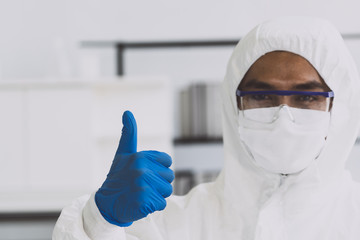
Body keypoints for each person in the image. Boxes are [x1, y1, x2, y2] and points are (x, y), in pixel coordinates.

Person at [53, 16, 360, 239]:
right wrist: (100, 220)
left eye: (307, 97)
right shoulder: (175, 225)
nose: (283, 116)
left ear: (340, 108)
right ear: (232, 105)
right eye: (261, 95)